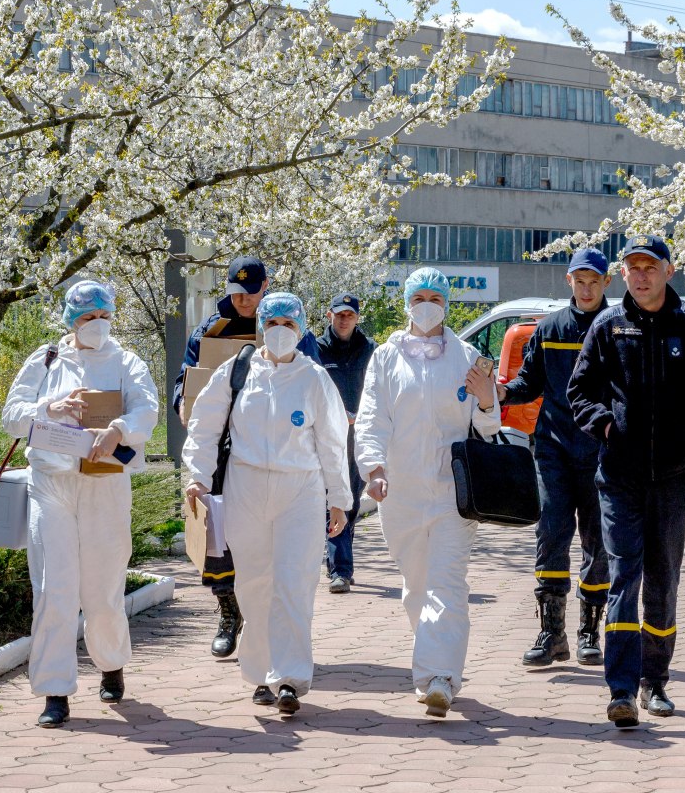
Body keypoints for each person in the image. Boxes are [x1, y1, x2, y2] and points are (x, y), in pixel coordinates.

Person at [567, 236, 685, 727]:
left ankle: (655, 681)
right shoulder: (608, 324)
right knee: (625, 575)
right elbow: (578, 390)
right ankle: (620, 688)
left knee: (662, 578)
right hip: (618, 475)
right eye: (633, 268)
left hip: (671, 474)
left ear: (668, 270)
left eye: (649, 267)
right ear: (623, 274)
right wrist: (603, 422)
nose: (641, 275)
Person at [182, 292, 351, 714]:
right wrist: (197, 477)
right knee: (254, 584)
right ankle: (259, 674)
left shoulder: (314, 379)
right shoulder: (237, 372)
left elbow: (332, 442)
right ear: (260, 327)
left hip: (301, 489)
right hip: (247, 485)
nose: (279, 333)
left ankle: (290, 678)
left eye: (288, 325)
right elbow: (204, 426)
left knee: (294, 582)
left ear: (301, 330)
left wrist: (339, 499)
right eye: (272, 324)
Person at [1, 280, 159, 728]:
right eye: (88, 317)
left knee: (103, 588)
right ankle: (54, 690)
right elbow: (12, 416)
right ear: (71, 319)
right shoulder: (46, 359)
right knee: (54, 588)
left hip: (105, 484)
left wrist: (119, 429)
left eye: (104, 316)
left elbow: (147, 411)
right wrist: (48, 408)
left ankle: (110, 663)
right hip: (51, 483)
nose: (97, 324)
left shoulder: (127, 362)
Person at [355, 267, 501, 718]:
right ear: (406, 302)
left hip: (451, 493)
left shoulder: (467, 357)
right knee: (417, 585)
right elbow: (372, 417)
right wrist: (373, 469)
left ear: (447, 305)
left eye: (435, 298)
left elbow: (489, 427)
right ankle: (434, 660)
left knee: (447, 584)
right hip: (399, 493)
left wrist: (485, 398)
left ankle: (439, 677)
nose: (427, 305)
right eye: (419, 296)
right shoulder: (385, 357)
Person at [170, 255, 320, 659]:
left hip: (280, 456)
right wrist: (184, 403)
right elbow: (185, 379)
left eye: (250, 293)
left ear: (266, 285)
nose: (243, 302)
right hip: (222, 452)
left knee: (272, 546)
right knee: (219, 537)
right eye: (236, 294)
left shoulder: (288, 327)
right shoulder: (210, 329)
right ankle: (228, 611)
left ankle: (270, 626)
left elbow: (314, 386)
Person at [499, 247, 612, 669]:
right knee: (551, 534)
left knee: (598, 542)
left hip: (601, 450)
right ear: (568, 282)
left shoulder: (617, 327)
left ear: (606, 283)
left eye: (593, 281)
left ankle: (588, 633)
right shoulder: (549, 328)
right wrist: (503, 391)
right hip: (554, 450)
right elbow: (529, 381)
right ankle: (552, 633)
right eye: (579, 281)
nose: (585, 288)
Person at [315, 292, 377, 594]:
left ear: (357, 317)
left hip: (359, 436)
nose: (344, 319)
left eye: (349, 315)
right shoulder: (315, 349)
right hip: (325, 437)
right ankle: (340, 569)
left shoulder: (369, 350)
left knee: (350, 501)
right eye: (339, 314)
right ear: (330, 315)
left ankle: (341, 560)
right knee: (333, 499)